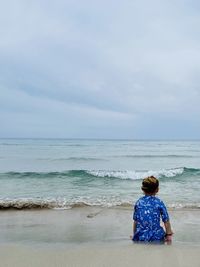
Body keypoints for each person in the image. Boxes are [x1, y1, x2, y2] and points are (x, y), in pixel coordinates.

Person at [130, 176, 173, 244]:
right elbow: (166, 220)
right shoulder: (159, 202)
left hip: (141, 236)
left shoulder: (139, 202)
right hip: (156, 237)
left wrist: (134, 235)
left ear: (143, 190)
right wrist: (169, 235)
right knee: (166, 232)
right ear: (157, 190)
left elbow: (135, 221)